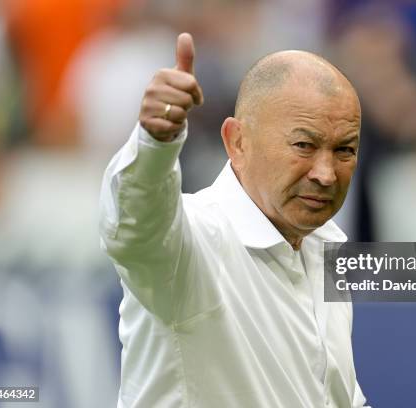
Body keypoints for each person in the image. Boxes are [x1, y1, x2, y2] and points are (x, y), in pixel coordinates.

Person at [100, 32, 370, 408]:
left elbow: (332, 396)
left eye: (345, 150)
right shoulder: (193, 242)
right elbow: (135, 226)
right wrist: (154, 145)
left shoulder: (324, 243)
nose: (326, 174)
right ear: (237, 142)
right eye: (304, 145)